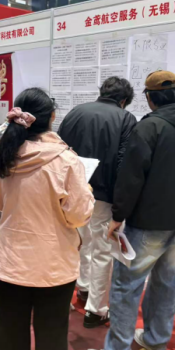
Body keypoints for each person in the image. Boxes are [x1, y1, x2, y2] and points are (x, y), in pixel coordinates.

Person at [83, 71, 175, 350]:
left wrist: (118, 215)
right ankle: (156, 342)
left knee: (126, 286)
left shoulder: (148, 127)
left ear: (150, 98)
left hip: (148, 222)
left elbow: (131, 177)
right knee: (165, 281)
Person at [0, 89, 94, 350]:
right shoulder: (66, 160)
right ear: (51, 117)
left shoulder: (4, 153)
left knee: (10, 326)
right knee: (51, 331)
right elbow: (78, 215)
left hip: (11, 259)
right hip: (53, 261)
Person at [58, 77, 137, 328]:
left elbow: (59, 149)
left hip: (74, 191)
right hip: (104, 193)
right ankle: (96, 309)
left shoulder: (75, 112)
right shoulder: (125, 119)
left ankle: (82, 288)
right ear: (124, 100)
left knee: (79, 241)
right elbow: (125, 162)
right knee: (103, 250)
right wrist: (121, 204)